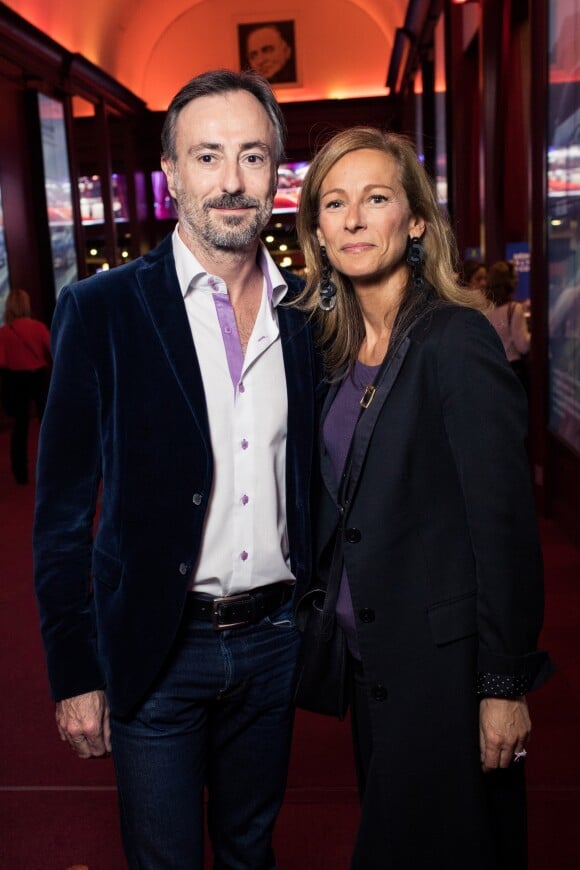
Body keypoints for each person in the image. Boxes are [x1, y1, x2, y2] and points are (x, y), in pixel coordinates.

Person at [33, 69, 319, 870]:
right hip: (157, 645)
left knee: (249, 851)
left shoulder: (310, 313)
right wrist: (74, 668)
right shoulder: (102, 309)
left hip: (273, 640)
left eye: (253, 157)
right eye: (208, 156)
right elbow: (60, 516)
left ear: (276, 175)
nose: (231, 181)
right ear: (170, 173)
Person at [295, 127, 553, 869]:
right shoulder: (334, 350)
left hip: (445, 669)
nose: (351, 219)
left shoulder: (454, 337)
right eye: (334, 204)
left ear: (413, 222)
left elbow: (501, 525)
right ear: (316, 228)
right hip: (373, 659)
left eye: (375, 199)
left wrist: (503, 684)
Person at [0, 288, 51, 484]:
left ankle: (20, 471)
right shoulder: (38, 327)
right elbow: (53, 348)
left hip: (16, 380)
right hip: (38, 377)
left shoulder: (4, 332)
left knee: (19, 428)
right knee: (47, 425)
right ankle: (52, 466)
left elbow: (2, 362)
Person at [485, 260, 531, 395]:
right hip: (513, 369)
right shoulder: (514, 309)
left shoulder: (485, 309)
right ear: (509, 282)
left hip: (492, 368)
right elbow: (522, 345)